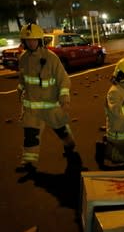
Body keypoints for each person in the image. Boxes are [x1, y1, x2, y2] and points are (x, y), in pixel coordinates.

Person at [16, 23, 84, 177]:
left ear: (40, 40)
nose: (31, 43)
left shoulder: (51, 58)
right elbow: (23, 80)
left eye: (34, 40)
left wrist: (64, 99)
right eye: (28, 40)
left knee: (62, 132)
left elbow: (63, 80)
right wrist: (19, 91)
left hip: (52, 106)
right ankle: (29, 164)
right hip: (32, 108)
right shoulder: (23, 59)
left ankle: (70, 145)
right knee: (30, 135)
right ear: (24, 42)